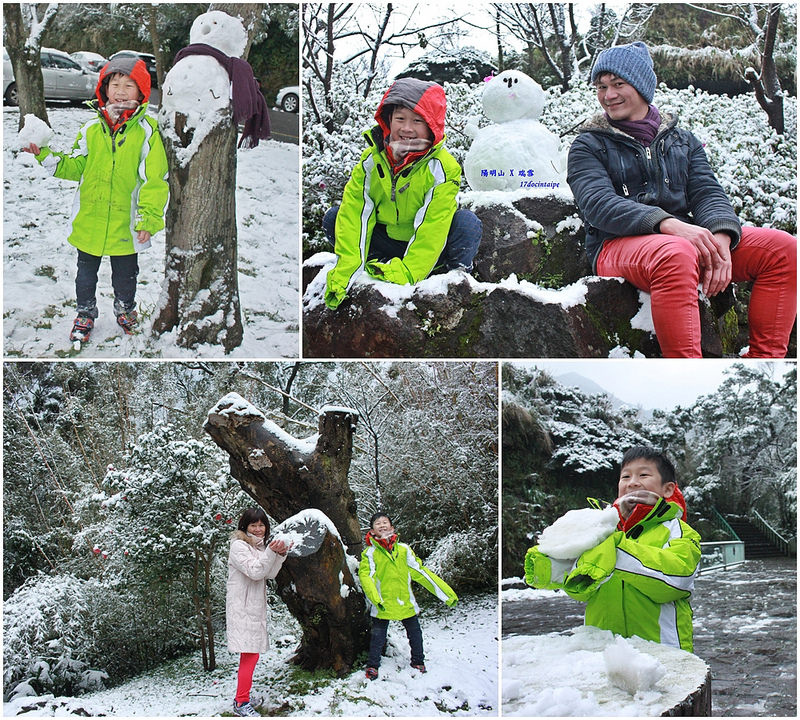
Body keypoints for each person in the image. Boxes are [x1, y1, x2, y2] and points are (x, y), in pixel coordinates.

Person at [567, 41, 796, 358]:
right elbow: (598, 205)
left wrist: (721, 238)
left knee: (782, 250)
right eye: (601, 86)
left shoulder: (682, 140)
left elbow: (707, 192)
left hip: (685, 241)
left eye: (618, 84)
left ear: (643, 85)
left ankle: (764, 362)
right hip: (617, 244)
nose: (609, 95)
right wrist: (669, 225)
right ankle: (687, 375)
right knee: (675, 253)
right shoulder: (588, 144)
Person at [22, 56, 168, 343]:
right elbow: (76, 165)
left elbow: (154, 180)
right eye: (115, 84)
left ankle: (126, 309)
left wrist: (148, 218)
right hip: (90, 219)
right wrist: (44, 154)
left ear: (141, 92)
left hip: (126, 223)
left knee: (126, 276)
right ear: (104, 88)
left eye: (129, 85)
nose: (121, 91)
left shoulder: (147, 132)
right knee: (85, 275)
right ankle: (85, 312)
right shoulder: (90, 130)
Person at [323, 77, 483, 310]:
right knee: (334, 217)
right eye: (400, 119)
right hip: (385, 243)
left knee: (467, 223)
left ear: (431, 125)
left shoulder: (442, 167)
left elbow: (433, 229)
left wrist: (406, 273)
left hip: (431, 250)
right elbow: (355, 214)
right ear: (388, 120)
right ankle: (376, 265)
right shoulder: (371, 161)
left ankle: (451, 280)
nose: (407, 128)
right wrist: (344, 275)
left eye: (417, 121)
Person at [525, 446, 701, 652]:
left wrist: (614, 549)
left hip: (661, 652)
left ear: (668, 489)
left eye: (643, 474)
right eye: (625, 476)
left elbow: (676, 580)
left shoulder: (678, 531)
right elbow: (581, 591)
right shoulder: (599, 529)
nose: (633, 482)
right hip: (604, 651)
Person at [358, 512, 458, 679]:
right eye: (378, 523)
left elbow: (420, 572)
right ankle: (373, 665)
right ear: (372, 531)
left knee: (415, 633)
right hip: (382, 602)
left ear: (392, 528)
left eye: (385, 523)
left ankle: (418, 661)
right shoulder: (369, 553)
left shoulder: (404, 549)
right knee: (377, 636)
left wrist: (446, 594)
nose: (382, 525)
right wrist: (375, 599)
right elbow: (366, 577)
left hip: (405, 600)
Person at [227, 507, 290, 717]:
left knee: (250, 654)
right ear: (244, 526)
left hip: (253, 608)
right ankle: (241, 702)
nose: (258, 529)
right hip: (243, 609)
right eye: (253, 525)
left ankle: (242, 697)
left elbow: (269, 573)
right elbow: (255, 572)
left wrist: (279, 554)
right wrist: (272, 551)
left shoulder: (258, 548)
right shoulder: (239, 546)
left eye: (262, 524)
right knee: (250, 654)